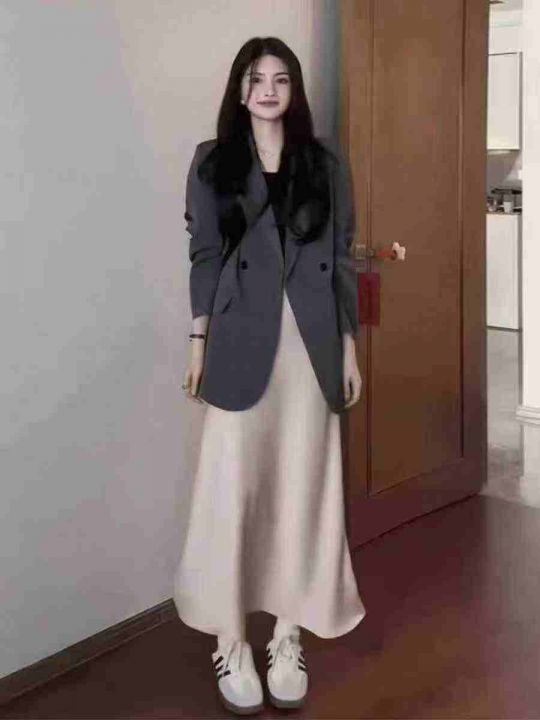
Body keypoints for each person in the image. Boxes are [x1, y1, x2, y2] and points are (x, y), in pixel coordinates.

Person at [173, 37, 366, 715]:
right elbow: (204, 254)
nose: (268, 90)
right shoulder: (213, 161)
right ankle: (230, 637)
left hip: (310, 347)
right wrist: (198, 343)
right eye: (256, 78)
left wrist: (348, 349)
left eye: (281, 79)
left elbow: (341, 257)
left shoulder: (325, 162)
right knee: (231, 490)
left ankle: (288, 634)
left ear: (294, 91)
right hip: (240, 344)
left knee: (303, 488)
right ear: (239, 88)